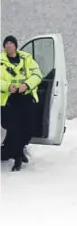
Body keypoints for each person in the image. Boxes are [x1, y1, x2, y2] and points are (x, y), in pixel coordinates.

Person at [1, 35, 42, 171]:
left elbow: (37, 75)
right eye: (6, 43)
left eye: (11, 43)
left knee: (28, 129)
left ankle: (12, 151)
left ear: (16, 45)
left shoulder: (26, 58)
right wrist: (7, 86)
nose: (8, 45)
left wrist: (26, 85)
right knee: (14, 129)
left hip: (26, 97)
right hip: (9, 100)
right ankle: (17, 158)